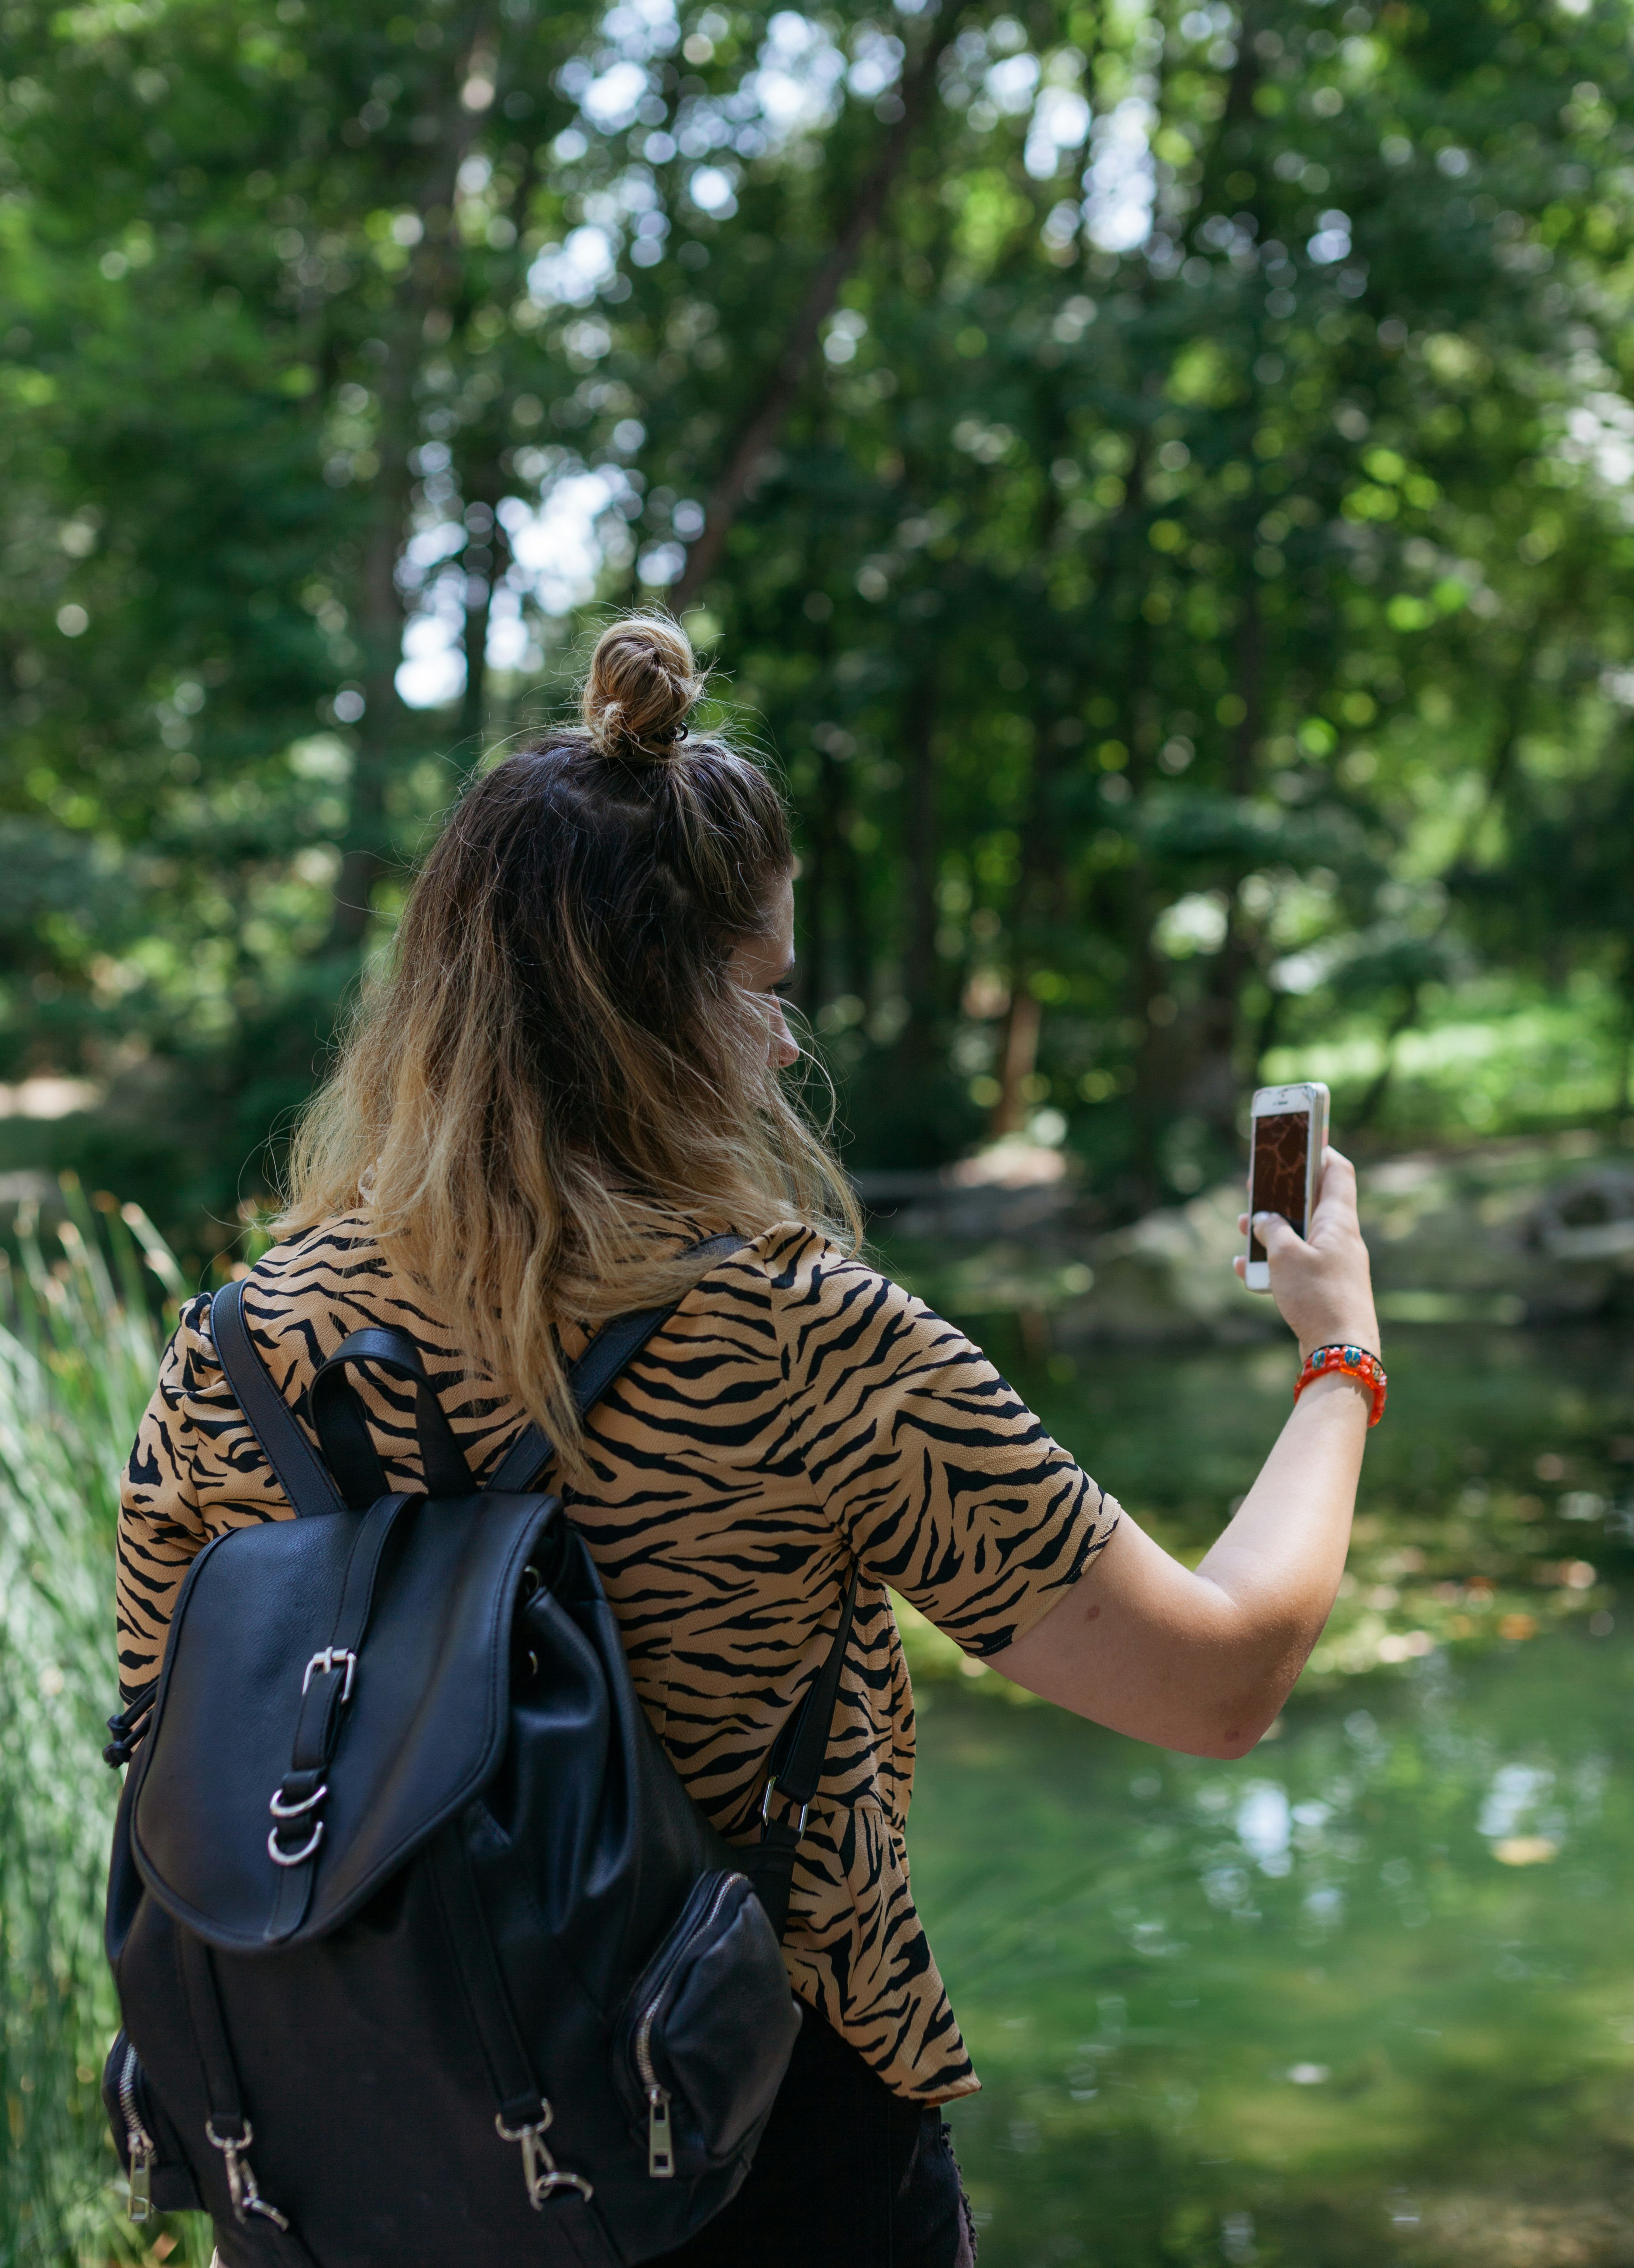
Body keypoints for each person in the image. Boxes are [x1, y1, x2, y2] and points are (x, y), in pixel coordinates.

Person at [117, 614, 1382, 2268]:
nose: (783, 1043)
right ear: (651, 1007)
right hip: (751, 2153)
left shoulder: (231, 1355)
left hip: (361, 2165)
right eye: (759, 986)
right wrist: (1340, 1354)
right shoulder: (802, 1336)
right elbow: (1220, 1682)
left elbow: (167, 1776)